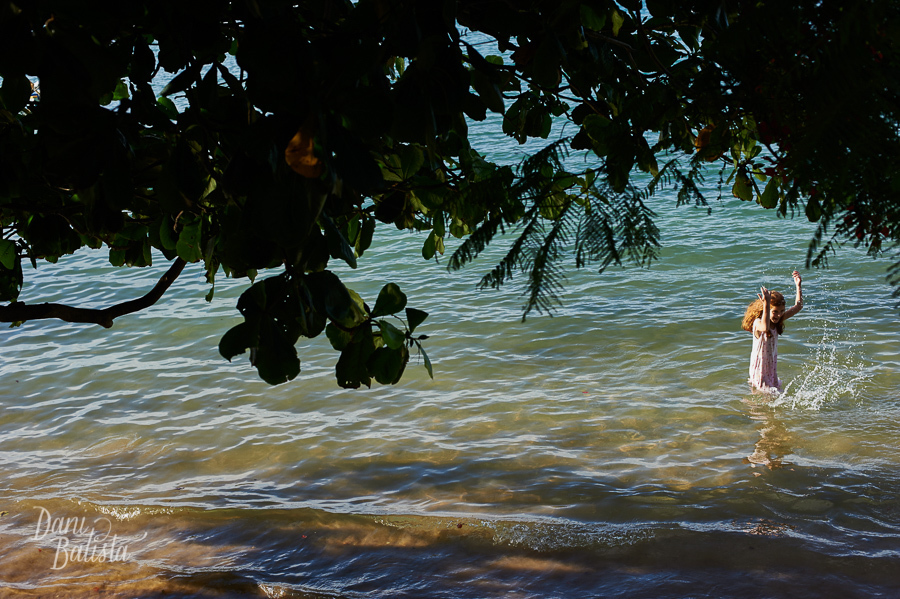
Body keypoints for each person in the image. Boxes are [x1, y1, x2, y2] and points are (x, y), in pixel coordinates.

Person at [741, 271, 803, 393]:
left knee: (770, 395)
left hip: (770, 367)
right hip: (760, 368)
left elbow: (798, 306)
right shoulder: (758, 323)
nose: (779, 315)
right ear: (766, 309)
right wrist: (766, 303)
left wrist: (798, 286)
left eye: (782, 311)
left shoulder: (776, 321)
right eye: (775, 311)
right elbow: (764, 327)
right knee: (765, 395)